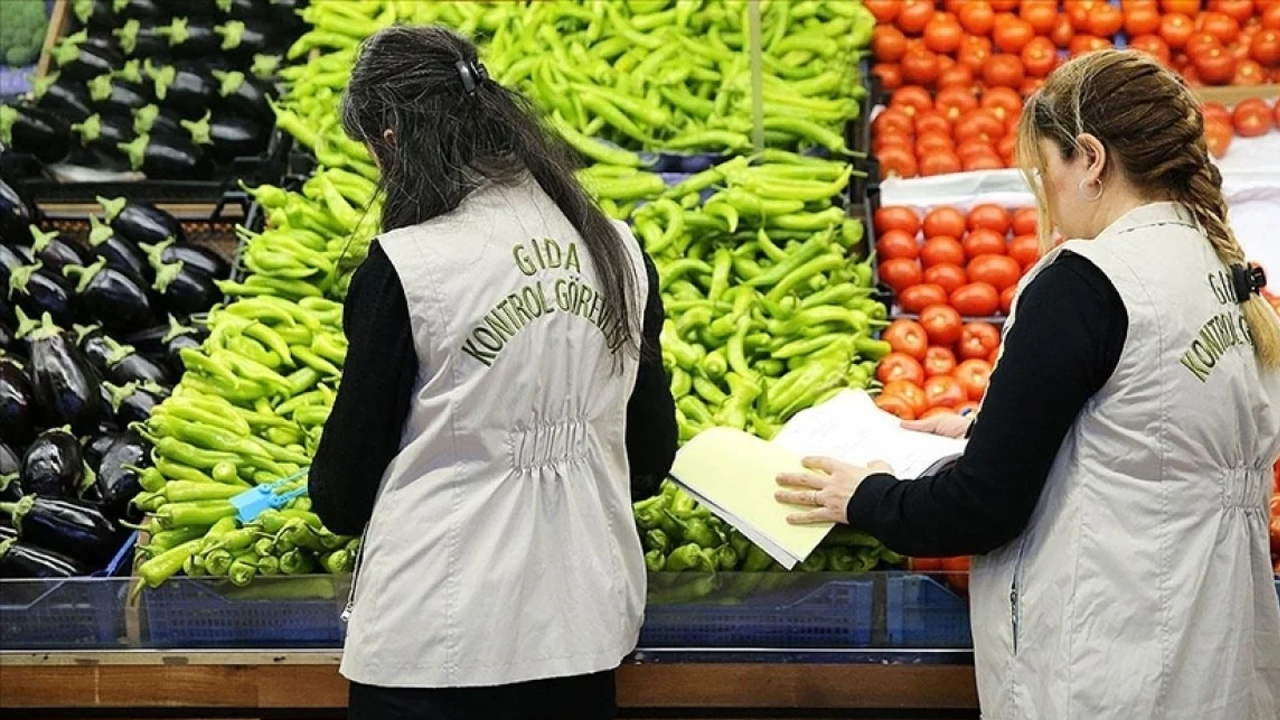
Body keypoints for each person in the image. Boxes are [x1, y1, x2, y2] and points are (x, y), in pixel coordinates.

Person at [775, 50, 1280, 719]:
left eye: (1046, 166)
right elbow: (1149, 430)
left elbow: (984, 508)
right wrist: (987, 427)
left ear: (1091, 160)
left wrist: (863, 496)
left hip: (1111, 662)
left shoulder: (1088, 281)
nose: (1045, 188)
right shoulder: (1223, 275)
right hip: (1216, 653)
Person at [307, 25, 678, 720]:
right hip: (583, 636)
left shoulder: (409, 267)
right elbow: (651, 458)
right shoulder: (620, 250)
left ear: (391, 139)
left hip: (433, 644)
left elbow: (342, 495)